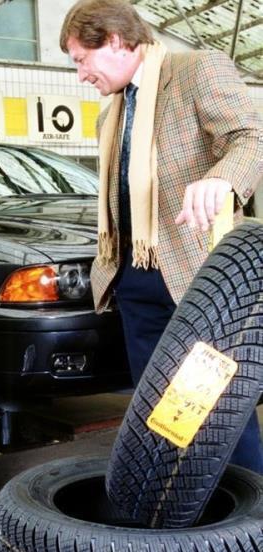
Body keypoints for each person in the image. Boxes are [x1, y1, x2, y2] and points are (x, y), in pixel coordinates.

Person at [60, 0, 263, 472]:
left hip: (196, 277)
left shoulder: (193, 70)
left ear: (112, 40)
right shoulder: (108, 116)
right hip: (135, 281)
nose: (80, 75)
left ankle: (251, 527)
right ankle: (182, 515)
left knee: (218, 409)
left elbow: (251, 137)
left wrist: (223, 178)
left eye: (80, 60)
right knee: (159, 413)